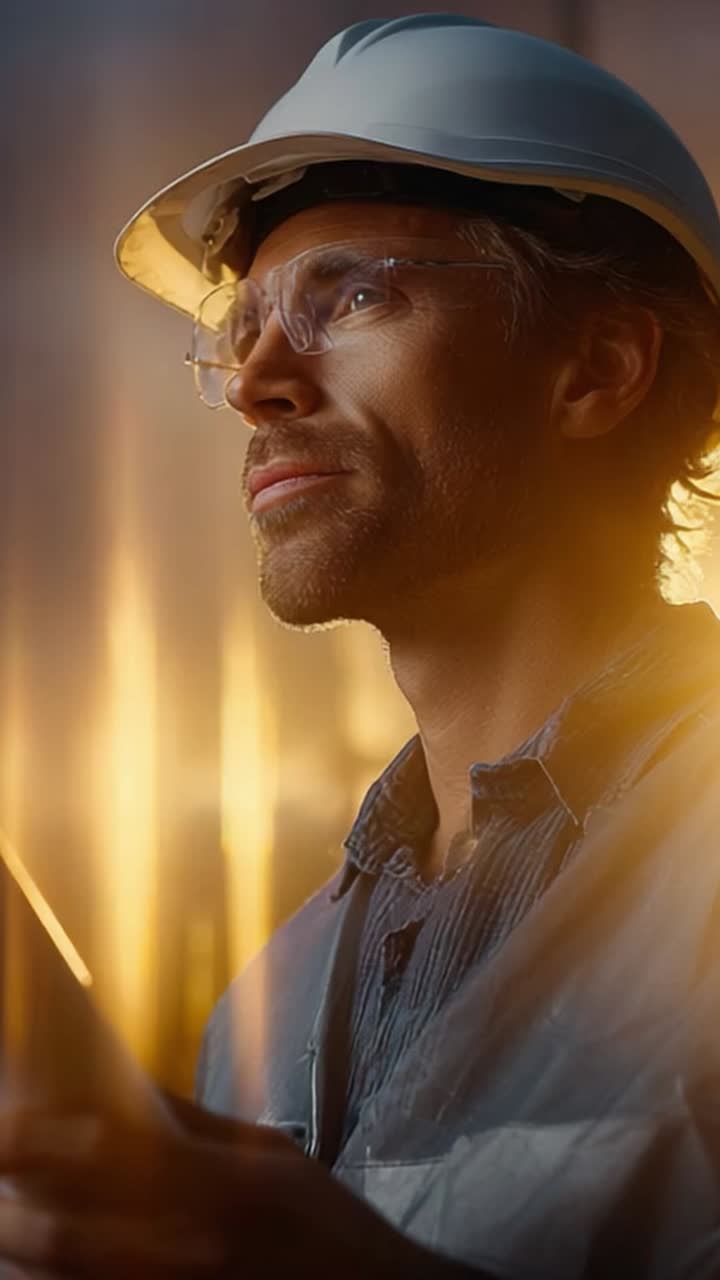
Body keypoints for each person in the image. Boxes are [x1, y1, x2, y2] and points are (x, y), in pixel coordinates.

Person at [2, 11, 720, 1278]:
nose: (254, 382)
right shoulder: (265, 1007)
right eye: (242, 329)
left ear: (599, 367)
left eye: (357, 295)